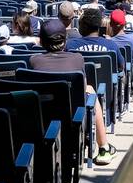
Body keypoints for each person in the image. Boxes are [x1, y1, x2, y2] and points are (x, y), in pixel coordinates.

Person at [28, 18, 115, 165]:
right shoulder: (77, 59)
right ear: (65, 39)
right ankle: (103, 147)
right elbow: (83, 87)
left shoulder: (33, 61)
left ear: (41, 41)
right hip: (72, 117)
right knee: (90, 90)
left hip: (41, 118)